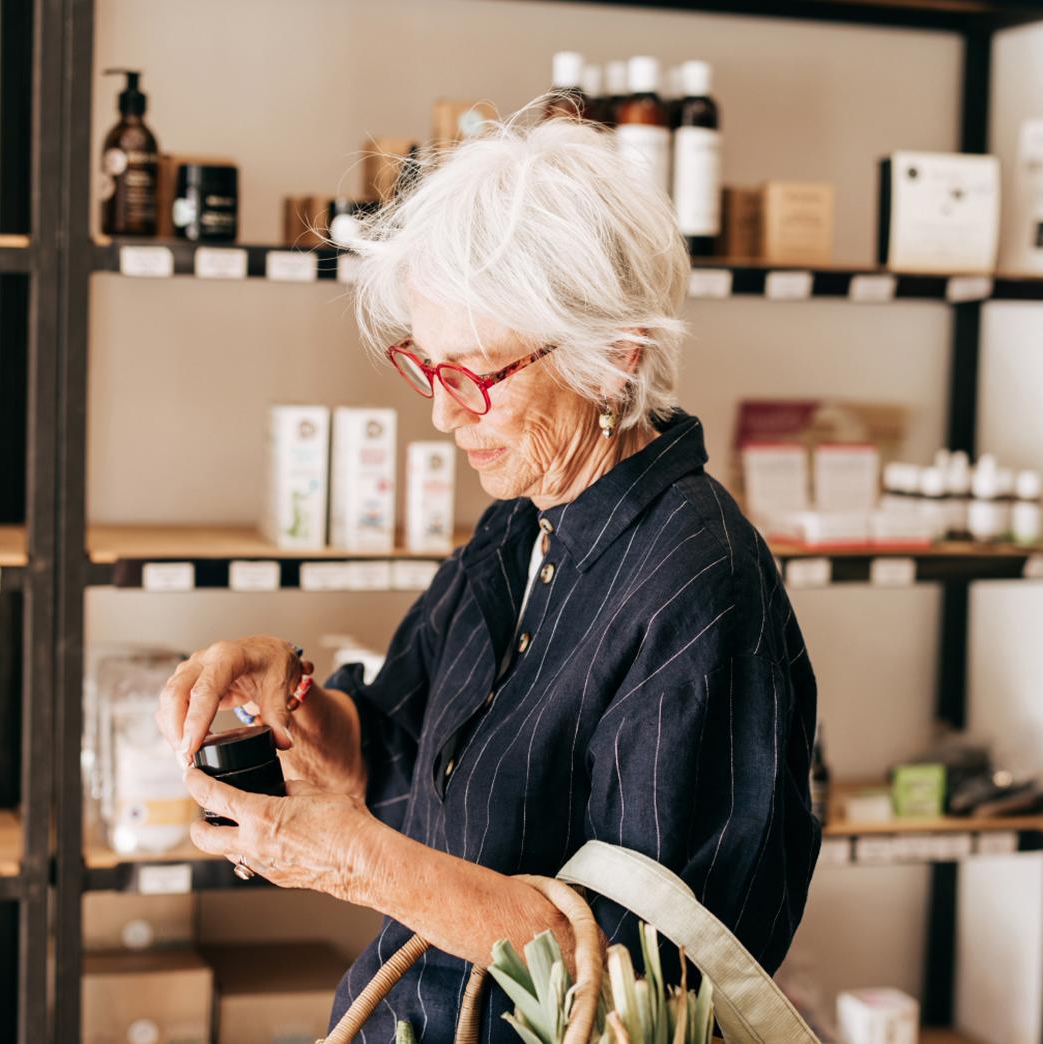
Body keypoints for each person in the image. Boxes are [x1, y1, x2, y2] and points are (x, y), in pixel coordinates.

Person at [157, 110, 821, 1041]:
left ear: (613, 357)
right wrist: (292, 706)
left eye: (474, 375)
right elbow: (398, 753)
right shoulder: (519, 526)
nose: (441, 413)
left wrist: (360, 866)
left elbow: (644, 982)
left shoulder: (699, 587)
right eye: (425, 367)